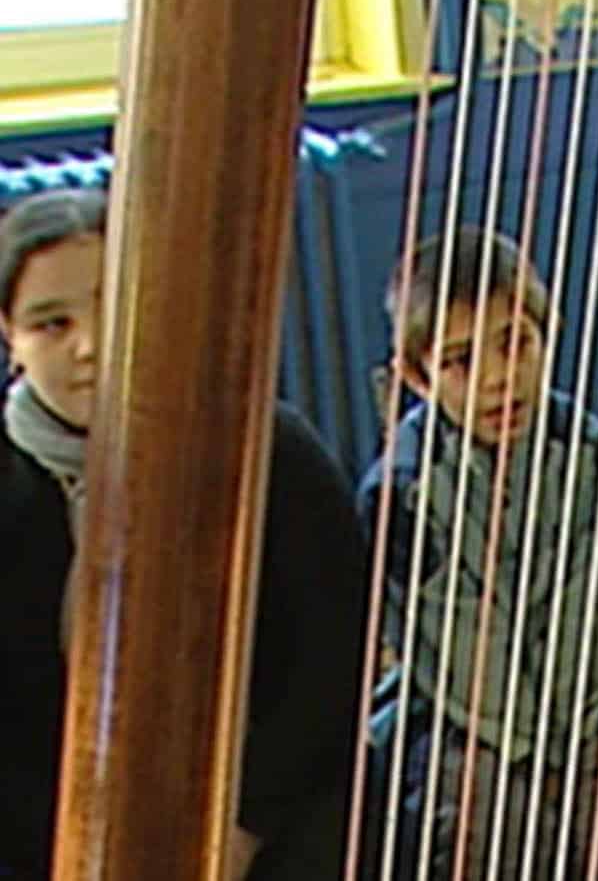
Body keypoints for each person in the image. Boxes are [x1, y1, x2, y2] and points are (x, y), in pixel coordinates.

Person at [0, 188, 368, 880]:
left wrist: (241, 829)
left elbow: (333, 664)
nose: (91, 346)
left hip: (284, 833)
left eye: (115, 305)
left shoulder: (270, 450)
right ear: (9, 338)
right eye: (52, 323)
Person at [357, 225, 598, 878]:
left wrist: (576, 750)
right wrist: (537, 763)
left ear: (548, 332)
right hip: (463, 720)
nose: (499, 379)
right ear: (417, 377)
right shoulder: (404, 494)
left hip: (593, 706)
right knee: (488, 812)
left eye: (515, 344)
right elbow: (456, 656)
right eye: (461, 362)